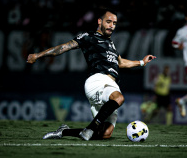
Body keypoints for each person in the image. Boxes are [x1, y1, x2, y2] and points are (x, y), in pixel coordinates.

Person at [27, 8, 156, 140]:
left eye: (115, 23)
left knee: (104, 134)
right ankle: (91, 127)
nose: (112, 25)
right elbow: (63, 47)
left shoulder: (111, 44)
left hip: (111, 85)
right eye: (109, 22)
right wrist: (38, 55)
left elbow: (121, 62)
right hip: (98, 81)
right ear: (100, 21)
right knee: (119, 98)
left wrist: (141, 62)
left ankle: (64, 132)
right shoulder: (88, 37)